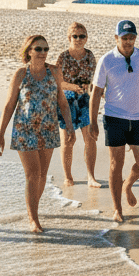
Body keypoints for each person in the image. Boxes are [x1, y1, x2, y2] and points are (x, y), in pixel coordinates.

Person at [0, 35, 74, 234]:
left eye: (46, 49)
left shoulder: (55, 72)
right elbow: (9, 105)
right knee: (32, 175)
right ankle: (34, 219)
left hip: (48, 129)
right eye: (38, 49)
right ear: (29, 51)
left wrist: (70, 127)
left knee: (42, 175)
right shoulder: (21, 74)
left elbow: (62, 102)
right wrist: (0, 135)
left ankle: (33, 209)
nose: (43, 53)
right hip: (25, 130)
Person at [89, 20, 139, 223]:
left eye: (132, 37)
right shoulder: (107, 60)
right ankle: (117, 209)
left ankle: (127, 185)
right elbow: (96, 93)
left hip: (138, 118)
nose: (128, 41)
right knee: (115, 164)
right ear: (116, 38)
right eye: (124, 38)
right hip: (114, 117)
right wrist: (93, 122)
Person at [56, 23, 102, 188]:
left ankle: (91, 176)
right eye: (75, 36)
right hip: (66, 100)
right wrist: (74, 87)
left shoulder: (90, 56)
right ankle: (68, 177)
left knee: (90, 138)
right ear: (69, 38)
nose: (78, 39)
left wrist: (98, 91)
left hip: (85, 100)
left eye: (82, 36)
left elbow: (96, 79)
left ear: (86, 38)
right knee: (68, 140)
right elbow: (58, 82)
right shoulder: (63, 57)